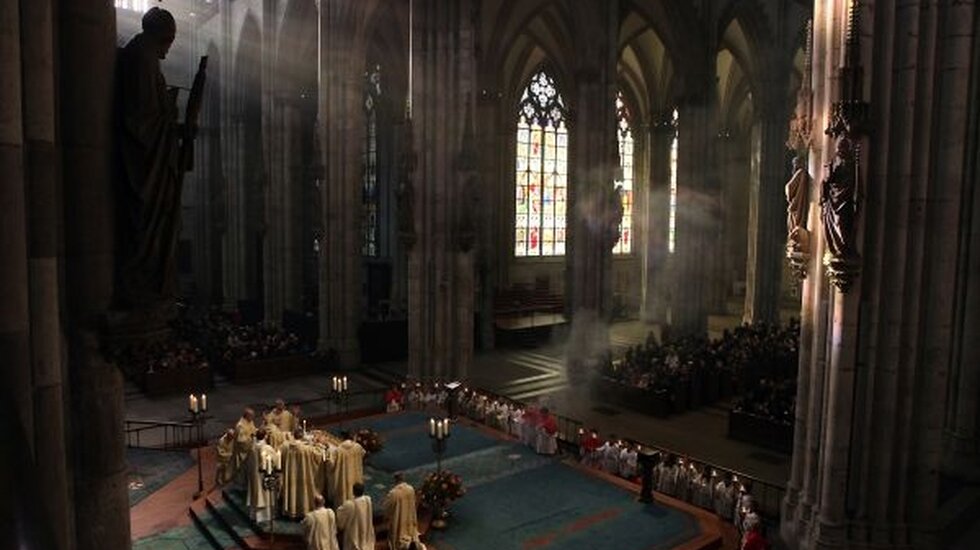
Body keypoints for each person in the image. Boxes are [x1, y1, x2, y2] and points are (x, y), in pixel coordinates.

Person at [115, 7, 187, 311]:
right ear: (163, 35)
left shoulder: (142, 55)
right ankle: (143, 283)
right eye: (170, 40)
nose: (169, 48)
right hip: (146, 166)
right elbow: (142, 123)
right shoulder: (142, 57)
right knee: (153, 222)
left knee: (160, 223)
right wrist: (172, 121)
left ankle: (148, 280)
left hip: (151, 162)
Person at [383, 473, 424, 550]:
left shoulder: (393, 493)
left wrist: (387, 516)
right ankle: (411, 542)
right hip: (409, 517)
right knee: (409, 532)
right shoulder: (411, 489)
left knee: (398, 535)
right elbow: (414, 502)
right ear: (403, 478)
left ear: (395, 480)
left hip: (398, 519)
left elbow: (388, 507)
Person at [327, 431, 365, 506]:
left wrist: (327, 454)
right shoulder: (357, 446)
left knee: (343, 495)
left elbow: (330, 464)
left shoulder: (338, 450)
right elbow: (363, 453)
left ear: (342, 439)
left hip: (343, 477)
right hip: (354, 474)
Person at [337, 482, 375, 550]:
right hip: (366, 530)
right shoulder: (368, 500)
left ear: (353, 491)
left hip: (354, 533)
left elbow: (340, 516)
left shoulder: (349, 504)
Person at [233, 408, 257, 477]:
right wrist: (251, 438)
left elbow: (253, 430)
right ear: (247, 416)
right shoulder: (240, 426)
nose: (253, 418)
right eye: (252, 416)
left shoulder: (250, 421)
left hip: (250, 446)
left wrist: (257, 433)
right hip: (243, 451)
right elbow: (241, 441)